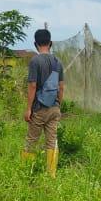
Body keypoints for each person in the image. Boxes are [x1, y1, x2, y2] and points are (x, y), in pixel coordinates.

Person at [23, 28, 64, 177]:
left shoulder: (35, 61)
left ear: (35, 44)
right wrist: (59, 105)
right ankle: (51, 174)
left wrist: (28, 109)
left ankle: (27, 172)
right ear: (50, 43)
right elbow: (61, 86)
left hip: (39, 109)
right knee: (52, 141)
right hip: (54, 108)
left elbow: (33, 85)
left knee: (32, 140)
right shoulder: (58, 62)